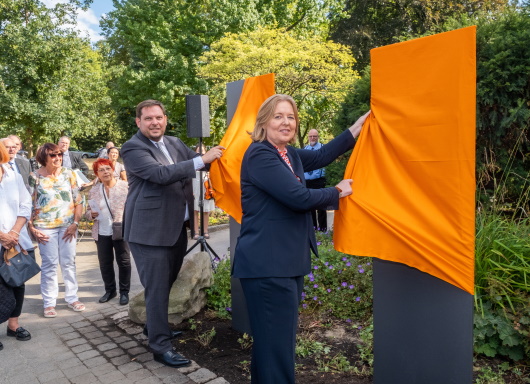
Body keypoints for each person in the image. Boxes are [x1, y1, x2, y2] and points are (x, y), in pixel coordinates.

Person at [232, 94, 370, 383]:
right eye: (278, 116)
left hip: (283, 264)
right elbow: (298, 197)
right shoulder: (260, 154)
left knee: (271, 347)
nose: (286, 122)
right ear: (264, 121)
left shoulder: (288, 154)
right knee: (278, 349)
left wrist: (358, 126)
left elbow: (322, 155)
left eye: (291, 117)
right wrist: (337, 192)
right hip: (268, 267)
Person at [121, 99, 224, 368]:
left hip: (175, 228)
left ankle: (155, 328)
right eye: (148, 119)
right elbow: (161, 174)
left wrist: (224, 153)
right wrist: (202, 158)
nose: (154, 122)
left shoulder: (175, 143)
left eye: (159, 117)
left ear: (165, 118)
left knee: (164, 286)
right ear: (138, 122)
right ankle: (160, 347)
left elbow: (201, 163)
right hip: (148, 233)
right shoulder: (133, 148)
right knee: (156, 289)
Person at [28, 143, 85, 318]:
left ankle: (72, 298)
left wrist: (75, 223)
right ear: (43, 158)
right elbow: (28, 204)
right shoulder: (34, 177)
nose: (57, 158)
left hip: (68, 227)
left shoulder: (70, 174)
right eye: (53, 155)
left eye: (59, 155)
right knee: (50, 265)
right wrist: (31, 228)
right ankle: (49, 302)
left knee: (69, 262)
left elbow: (79, 201)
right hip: (45, 227)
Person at [0, 143, 33, 351]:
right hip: (3, 237)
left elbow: (25, 202)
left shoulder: (14, 175)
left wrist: (13, 232)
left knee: (17, 281)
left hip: (15, 238)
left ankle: (14, 325)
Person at [86, 159, 131, 305]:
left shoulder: (125, 186)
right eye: (101, 170)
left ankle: (124, 292)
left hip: (121, 229)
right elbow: (88, 212)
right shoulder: (94, 190)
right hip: (101, 231)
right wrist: (90, 215)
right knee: (105, 263)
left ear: (113, 170)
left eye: (107, 169)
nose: (105, 172)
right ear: (97, 174)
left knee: (123, 262)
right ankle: (110, 291)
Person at [304, 129, 328, 232]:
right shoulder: (305, 149)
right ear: (308, 137)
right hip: (308, 181)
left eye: (315, 136)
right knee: (310, 207)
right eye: (311, 136)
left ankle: (323, 229)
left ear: (318, 137)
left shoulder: (323, 148)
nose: (312, 138)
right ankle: (313, 228)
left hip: (319, 180)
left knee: (321, 205)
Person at [192, 144, 215, 240]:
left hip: (205, 182)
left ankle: (205, 230)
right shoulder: (193, 160)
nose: (200, 153)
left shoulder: (209, 160)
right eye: (198, 151)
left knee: (206, 209)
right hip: (195, 182)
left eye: (202, 150)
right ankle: (196, 231)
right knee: (195, 209)